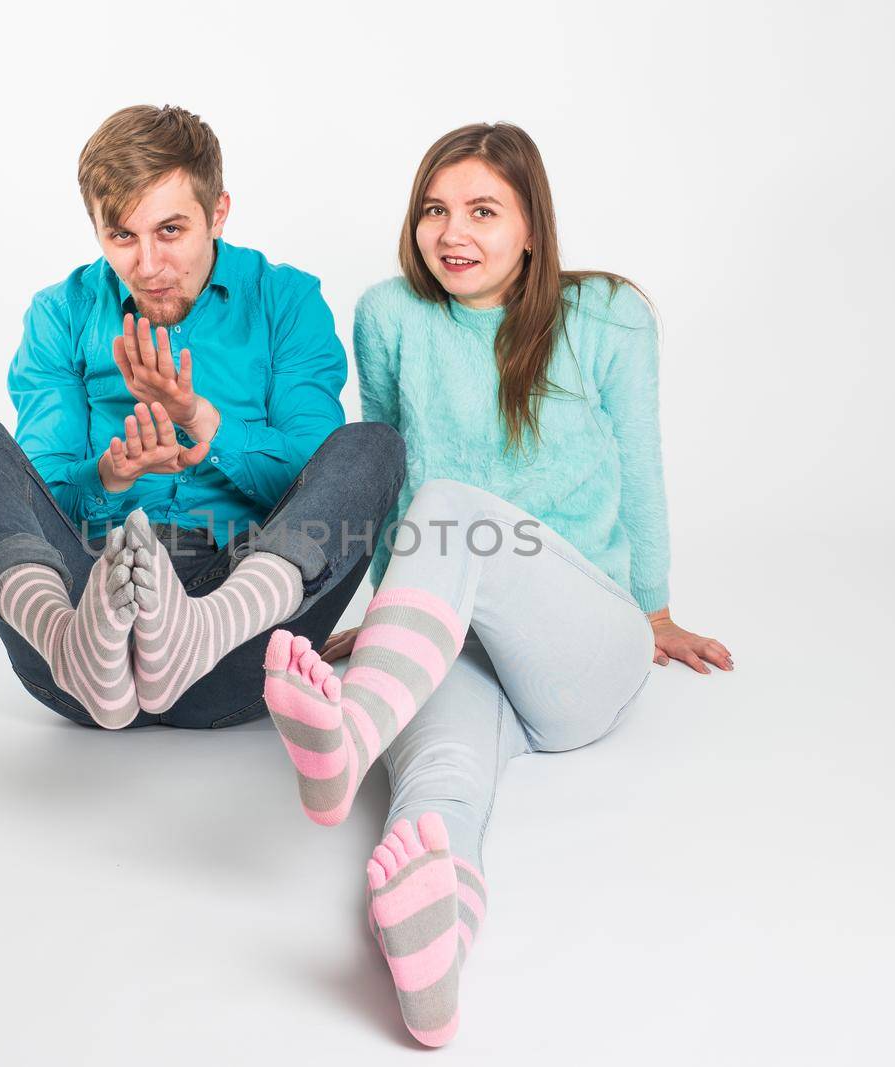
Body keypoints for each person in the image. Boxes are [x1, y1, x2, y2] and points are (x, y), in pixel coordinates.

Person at [261, 123, 734, 1046]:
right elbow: (385, 472)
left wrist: (657, 610)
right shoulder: (392, 316)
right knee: (438, 788)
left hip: (582, 642)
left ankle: (351, 733)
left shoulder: (605, 315)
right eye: (434, 210)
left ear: (531, 228)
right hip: (458, 635)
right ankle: (433, 957)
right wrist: (392, 618)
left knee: (450, 501)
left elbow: (641, 464)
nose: (452, 232)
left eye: (482, 211)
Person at [0, 105, 404, 730]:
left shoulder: (285, 300)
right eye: (123, 236)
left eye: (170, 231)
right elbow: (27, 497)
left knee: (372, 446)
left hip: (237, 636)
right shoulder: (61, 313)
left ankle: (203, 629)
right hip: (81, 629)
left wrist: (202, 421)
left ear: (219, 213)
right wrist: (108, 478)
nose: (148, 265)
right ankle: (69, 644)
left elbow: (319, 478)